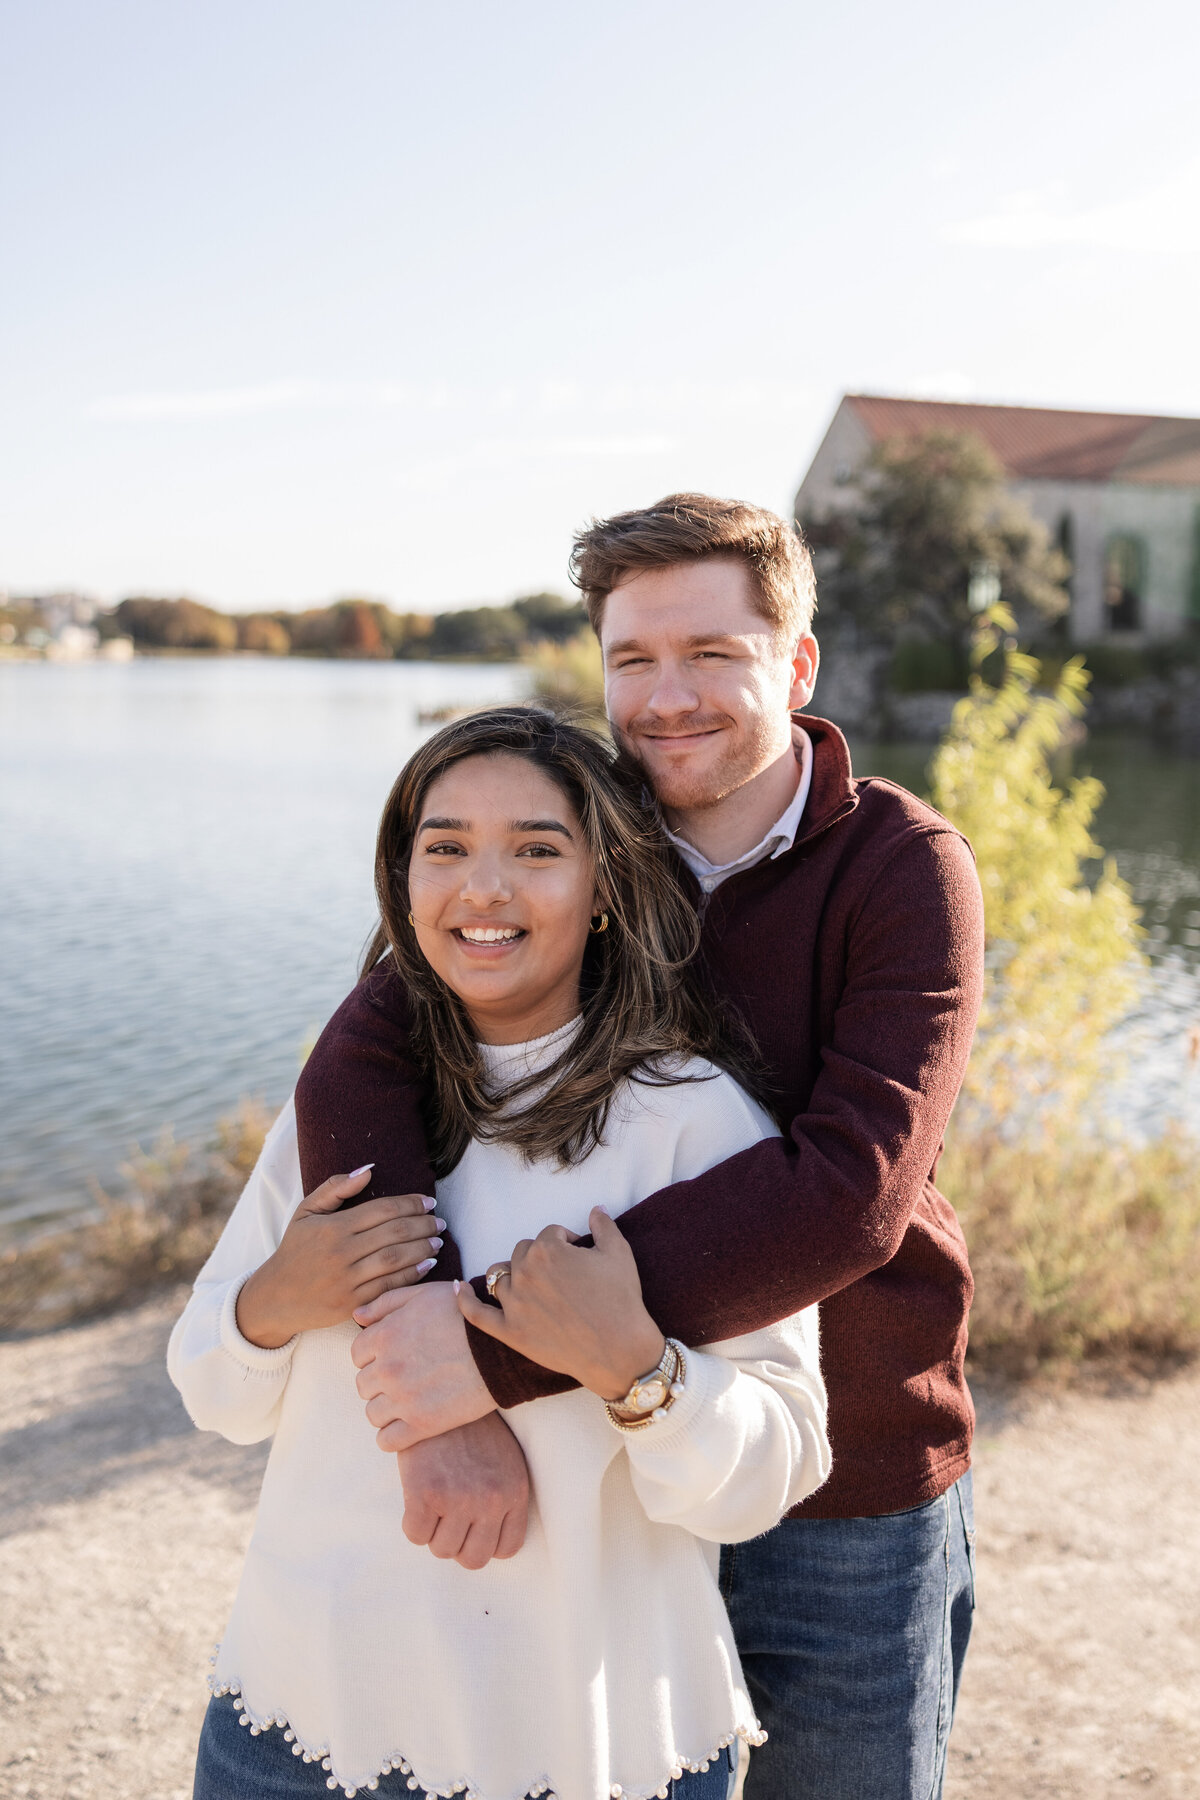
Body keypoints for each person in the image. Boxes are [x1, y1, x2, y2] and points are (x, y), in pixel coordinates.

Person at [296, 495, 986, 1800]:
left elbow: (853, 1194)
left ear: (797, 664)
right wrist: (417, 1326)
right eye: (633, 659)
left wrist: (484, 1349)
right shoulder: (580, 832)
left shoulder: (902, 866)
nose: (667, 699)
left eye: (712, 654)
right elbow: (369, 1043)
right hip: (595, 1477)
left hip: (843, 1475)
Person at [168, 707, 831, 1800]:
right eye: (446, 848)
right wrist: (274, 1301)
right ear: (404, 880)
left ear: (605, 885)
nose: (483, 889)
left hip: (583, 1738)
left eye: (536, 850)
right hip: (301, 1713)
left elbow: (774, 1471)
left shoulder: (693, 1122)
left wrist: (639, 1375)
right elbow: (213, 1392)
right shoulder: (344, 1108)